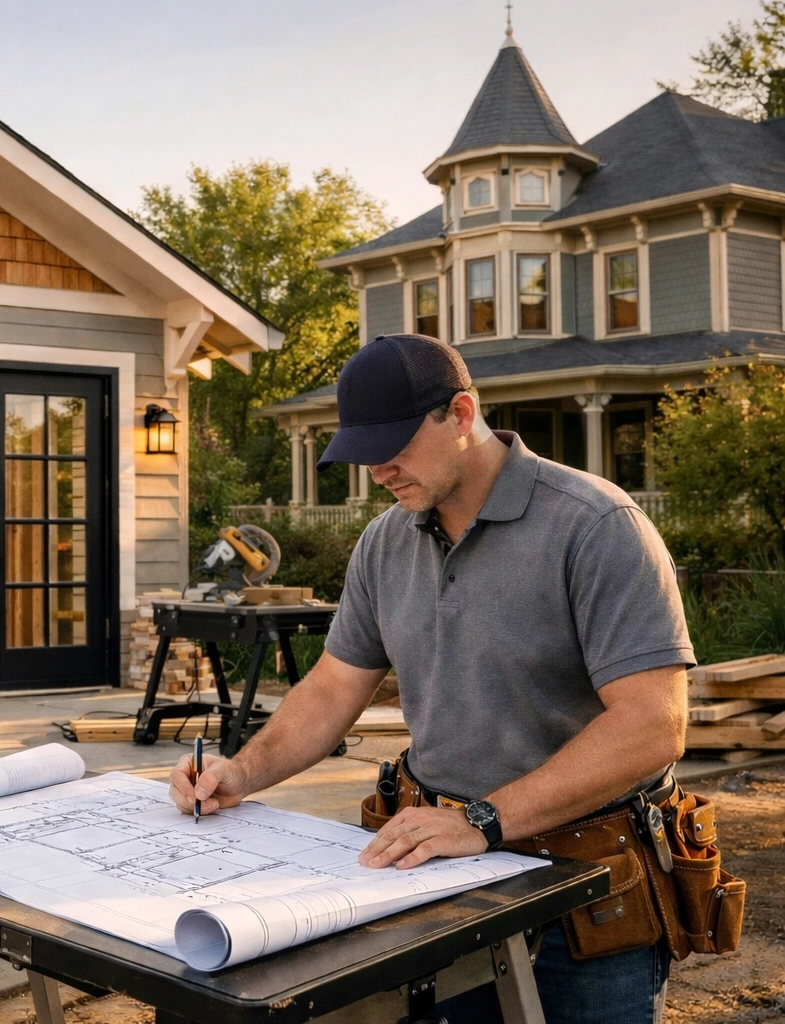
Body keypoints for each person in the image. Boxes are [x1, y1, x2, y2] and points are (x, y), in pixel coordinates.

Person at [171, 334, 692, 1024]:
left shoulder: (596, 526)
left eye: (396, 444)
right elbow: (332, 687)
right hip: (439, 873)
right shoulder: (385, 542)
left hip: (590, 888)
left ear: (463, 414)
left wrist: (485, 820)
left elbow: (652, 724)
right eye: (364, 450)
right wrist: (241, 772)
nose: (378, 469)